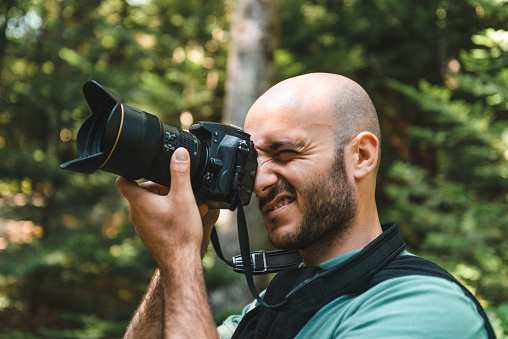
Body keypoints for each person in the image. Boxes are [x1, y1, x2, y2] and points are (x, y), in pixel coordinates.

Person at [116, 73, 491, 338]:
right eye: (254, 161)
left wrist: (179, 256)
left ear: (361, 155)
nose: (260, 181)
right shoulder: (273, 308)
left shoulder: (424, 309)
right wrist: (178, 259)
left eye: (285, 153)